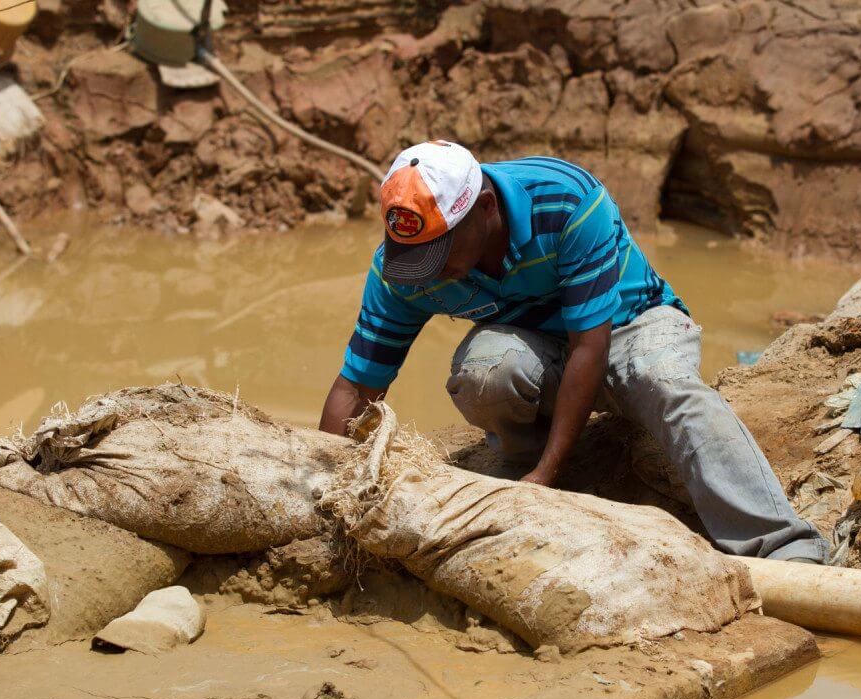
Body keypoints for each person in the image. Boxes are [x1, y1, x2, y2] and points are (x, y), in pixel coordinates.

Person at [319, 141, 827, 563]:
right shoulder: (403, 266)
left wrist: (549, 475)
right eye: (413, 257)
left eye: (439, 253)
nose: (426, 271)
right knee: (486, 372)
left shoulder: (565, 199)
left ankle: (784, 545)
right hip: (537, 346)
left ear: (485, 210)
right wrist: (327, 492)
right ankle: (524, 466)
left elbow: (591, 346)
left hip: (632, 323)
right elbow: (358, 384)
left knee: (663, 381)